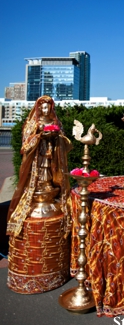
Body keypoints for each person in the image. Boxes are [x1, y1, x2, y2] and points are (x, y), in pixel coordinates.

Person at [7, 96, 72, 237]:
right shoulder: (34, 123)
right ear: (39, 109)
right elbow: (26, 142)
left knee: (50, 169)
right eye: (43, 107)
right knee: (41, 169)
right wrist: (40, 136)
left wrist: (56, 136)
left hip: (52, 152)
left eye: (48, 107)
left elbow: (64, 138)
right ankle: (40, 186)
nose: (46, 109)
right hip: (39, 153)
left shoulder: (56, 122)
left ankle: (48, 185)